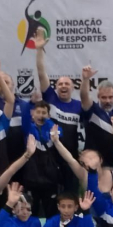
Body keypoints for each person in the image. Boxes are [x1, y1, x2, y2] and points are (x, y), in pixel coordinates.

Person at [34, 28, 82, 189]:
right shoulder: (50, 98)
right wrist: (39, 50)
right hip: (49, 158)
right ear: (55, 87)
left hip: (71, 159)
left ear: (73, 87)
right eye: (60, 84)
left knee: (70, 198)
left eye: (67, 84)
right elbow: (41, 73)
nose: (63, 86)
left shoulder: (79, 106)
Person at [81, 65, 113, 167]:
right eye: (104, 97)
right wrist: (85, 79)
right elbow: (84, 96)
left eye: (111, 97)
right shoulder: (92, 109)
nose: (108, 101)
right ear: (98, 97)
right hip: (93, 165)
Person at [20, 100, 61, 217]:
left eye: (44, 113)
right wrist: (30, 103)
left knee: (51, 212)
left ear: (49, 115)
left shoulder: (53, 128)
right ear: (32, 114)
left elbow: (60, 134)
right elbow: (25, 116)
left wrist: (47, 122)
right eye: (38, 112)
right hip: (32, 179)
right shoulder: (28, 127)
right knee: (31, 211)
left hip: (50, 180)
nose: (41, 115)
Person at [51, 125, 113, 194]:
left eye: (91, 158)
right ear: (84, 165)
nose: (90, 161)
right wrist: (56, 142)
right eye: (87, 159)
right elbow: (70, 159)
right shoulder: (84, 175)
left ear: (101, 160)